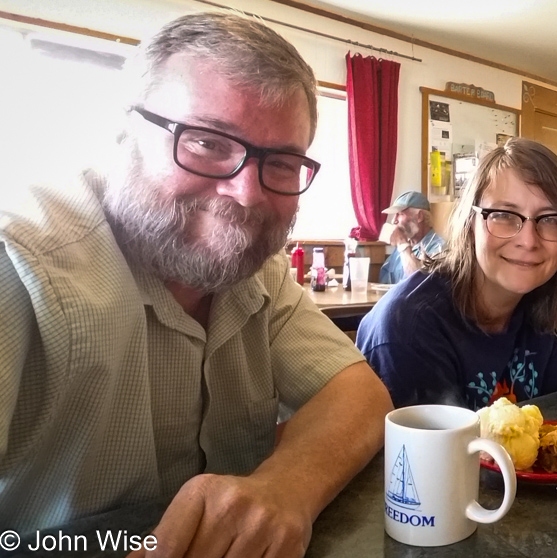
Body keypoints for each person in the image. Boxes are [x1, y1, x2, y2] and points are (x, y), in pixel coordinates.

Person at [0, 12, 392, 557]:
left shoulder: (260, 272)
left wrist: (286, 489)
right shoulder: (17, 264)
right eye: (207, 142)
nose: (247, 194)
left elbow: (359, 396)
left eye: (280, 162)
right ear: (125, 134)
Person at [356, 138, 557, 410]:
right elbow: (431, 451)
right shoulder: (410, 327)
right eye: (504, 214)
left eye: (550, 219)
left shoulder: (553, 308)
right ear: (470, 224)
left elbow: (556, 436)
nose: (528, 241)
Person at [378, 191, 445, 284]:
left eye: (400, 214)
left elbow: (418, 284)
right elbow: (384, 282)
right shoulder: (400, 249)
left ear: (420, 216)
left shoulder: (439, 248)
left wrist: (402, 244)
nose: (394, 221)